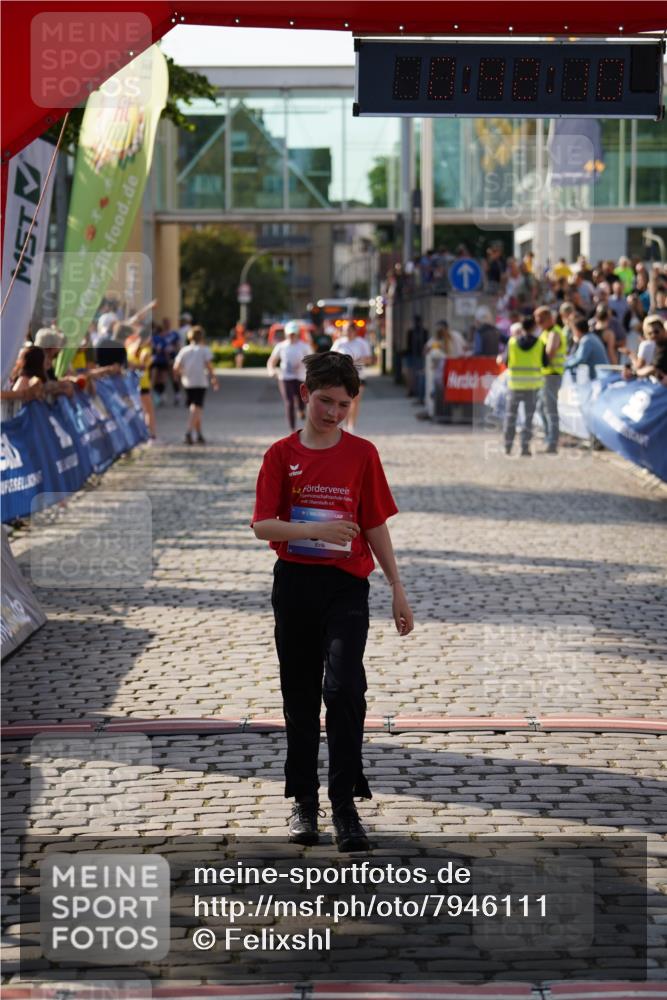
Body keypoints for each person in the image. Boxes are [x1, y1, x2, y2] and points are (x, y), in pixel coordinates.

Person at [251, 352, 414, 851]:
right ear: (305, 394)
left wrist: (397, 587)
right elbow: (262, 526)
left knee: (345, 691)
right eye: (325, 401)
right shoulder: (281, 454)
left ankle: (345, 804)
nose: (333, 413)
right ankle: (304, 801)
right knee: (299, 696)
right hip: (296, 583)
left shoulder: (363, 454)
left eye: (344, 404)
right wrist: (315, 529)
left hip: (347, 587)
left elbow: (374, 524)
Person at [503, 317, 547, 457]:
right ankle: (524, 448)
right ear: (534, 327)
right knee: (528, 418)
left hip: (515, 386)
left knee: (511, 417)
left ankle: (508, 446)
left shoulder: (512, 343)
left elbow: (505, 361)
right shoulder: (540, 343)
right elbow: (545, 363)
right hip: (532, 387)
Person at [173, 325, 218, 445]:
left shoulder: (184, 350)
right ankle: (188, 432)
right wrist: (214, 378)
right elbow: (209, 366)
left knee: (196, 408)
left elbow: (176, 367)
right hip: (200, 382)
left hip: (187, 382)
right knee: (196, 407)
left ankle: (199, 434)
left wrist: (179, 375)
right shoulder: (204, 350)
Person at [267, 320, 312, 431]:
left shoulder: (304, 346)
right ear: (286, 334)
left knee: (302, 399)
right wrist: (271, 370)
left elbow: (312, 361)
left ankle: (301, 410)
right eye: (289, 334)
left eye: (293, 334)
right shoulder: (281, 346)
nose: (292, 336)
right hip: (285, 378)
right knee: (289, 402)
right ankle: (292, 429)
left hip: (301, 377)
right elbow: (272, 361)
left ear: (297, 334)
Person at [535, 306, 566, 455]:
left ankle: (552, 442)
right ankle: (549, 438)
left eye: (540, 319)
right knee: (541, 408)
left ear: (549, 318)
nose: (538, 322)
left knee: (550, 409)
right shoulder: (545, 332)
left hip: (552, 375)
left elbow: (550, 354)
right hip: (545, 375)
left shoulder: (554, 333)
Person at [331, 322, 373, 431]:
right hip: (342, 377)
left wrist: (356, 361)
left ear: (355, 331)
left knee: (355, 401)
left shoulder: (362, 343)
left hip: (358, 375)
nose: (347, 333)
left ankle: (351, 426)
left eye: (349, 330)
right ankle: (344, 424)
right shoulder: (339, 343)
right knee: (344, 401)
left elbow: (369, 359)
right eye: (345, 330)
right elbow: (331, 358)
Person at [126, 326, 158, 442]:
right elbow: (144, 366)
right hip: (143, 383)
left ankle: (139, 434)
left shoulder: (130, 348)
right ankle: (152, 434)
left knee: (138, 410)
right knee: (149, 410)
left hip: (130, 384)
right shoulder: (146, 350)